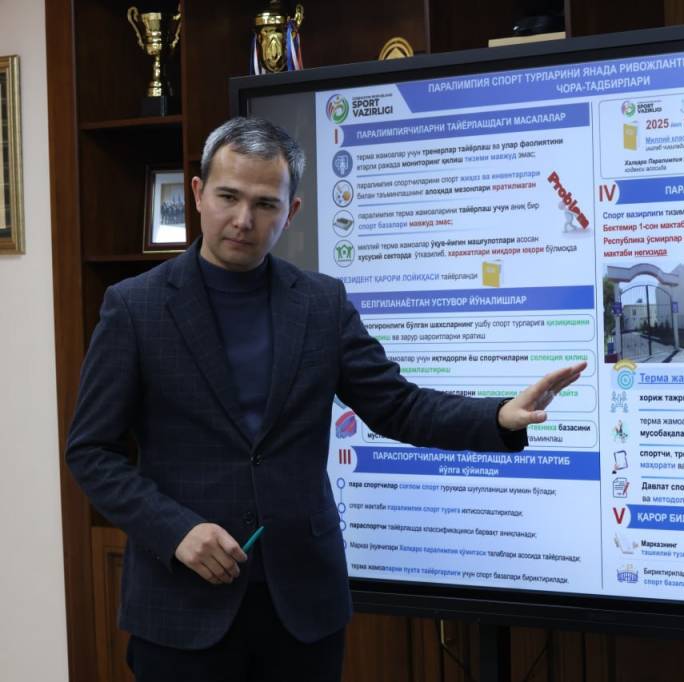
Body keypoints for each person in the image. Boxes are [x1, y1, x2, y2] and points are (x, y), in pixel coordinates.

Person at [65, 116, 586, 681]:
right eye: (228, 197)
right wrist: (176, 531)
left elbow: (397, 405)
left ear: (291, 211)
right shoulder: (134, 307)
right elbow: (91, 451)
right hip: (181, 605)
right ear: (197, 193)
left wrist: (499, 416)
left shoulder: (320, 303)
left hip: (303, 609)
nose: (243, 220)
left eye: (265, 204)